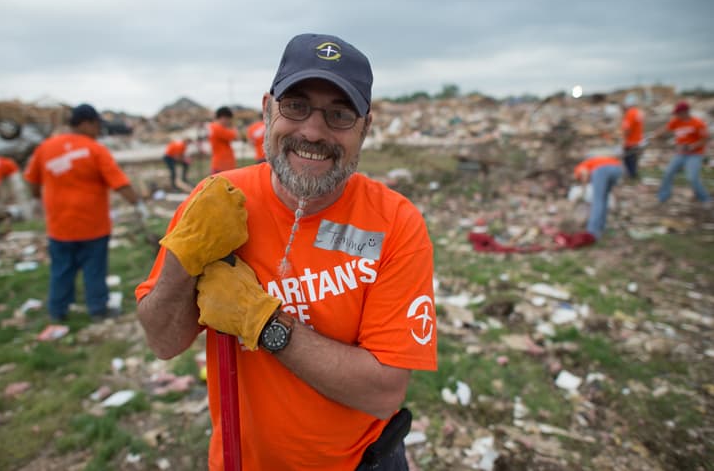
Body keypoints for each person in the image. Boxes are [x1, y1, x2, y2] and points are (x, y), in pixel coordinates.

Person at [136, 33, 437, 470]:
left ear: (365, 129)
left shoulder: (395, 223)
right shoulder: (218, 200)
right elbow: (163, 341)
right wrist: (184, 263)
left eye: (339, 115)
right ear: (267, 109)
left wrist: (263, 323)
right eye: (296, 106)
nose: (313, 132)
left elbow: (383, 392)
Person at [24, 103, 149, 322]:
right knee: (94, 270)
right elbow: (119, 183)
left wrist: (36, 198)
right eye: (97, 125)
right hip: (92, 225)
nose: (99, 130)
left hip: (59, 225)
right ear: (85, 123)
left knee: (61, 269)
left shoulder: (46, 147)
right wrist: (137, 204)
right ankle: (98, 309)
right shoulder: (95, 149)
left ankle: (57, 310)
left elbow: (32, 180)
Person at [653, 101, 710, 204]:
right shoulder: (676, 121)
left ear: (685, 112)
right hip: (680, 154)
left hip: (694, 155)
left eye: (678, 113)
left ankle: (705, 199)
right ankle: (663, 196)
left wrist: (692, 146)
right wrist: (656, 134)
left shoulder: (698, 123)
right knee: (668, 173)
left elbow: (705, 139)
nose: (677, 115)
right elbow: (665, 129)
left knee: (692, 178)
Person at [573, 155, 624, 239]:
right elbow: (615, 189)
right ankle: (601, 227)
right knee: (604, 199)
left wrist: (583, 192)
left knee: (597, 201)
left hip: (602, 170)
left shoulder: (578, 169)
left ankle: (592, 232)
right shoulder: (592, 162)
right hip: (618, 168)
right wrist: (617, 201)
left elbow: (585, 173)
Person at [619, 93, 644, 179]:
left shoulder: (630, 113)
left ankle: (632, 176)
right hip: (637, 141)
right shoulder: (638, 112)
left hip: (630, 142)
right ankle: (634, 174)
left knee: (628, 159)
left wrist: (623, 141)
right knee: (633, 159)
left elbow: (627, 129)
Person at [208, 106, 239, 174]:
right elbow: (235, 136)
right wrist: (233, 127)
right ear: (223, 117)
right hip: (222, 165)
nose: (229, 122)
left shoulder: (215, 127)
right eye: (228, 119)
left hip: (223, 164)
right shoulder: (217, 128)